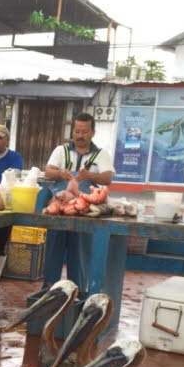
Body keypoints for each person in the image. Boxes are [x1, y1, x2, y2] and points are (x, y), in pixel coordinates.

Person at [43, 112, 115, 285]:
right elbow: (47, 172)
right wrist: (60, 172)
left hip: (84, 212)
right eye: (77, 131)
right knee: (53, 251)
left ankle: (78, 290)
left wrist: (90, 175)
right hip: (59, 211)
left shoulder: (101, 154)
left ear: (92, 133)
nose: (80, 136)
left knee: (81, 254)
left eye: (84, 132)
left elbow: (107, 178)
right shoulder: (61, 151)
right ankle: (49, 288)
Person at [0, 124, 23, 296]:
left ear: (7, 140)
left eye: (0, 138)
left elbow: (13, 178)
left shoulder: (15, 157)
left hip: (5, 206)